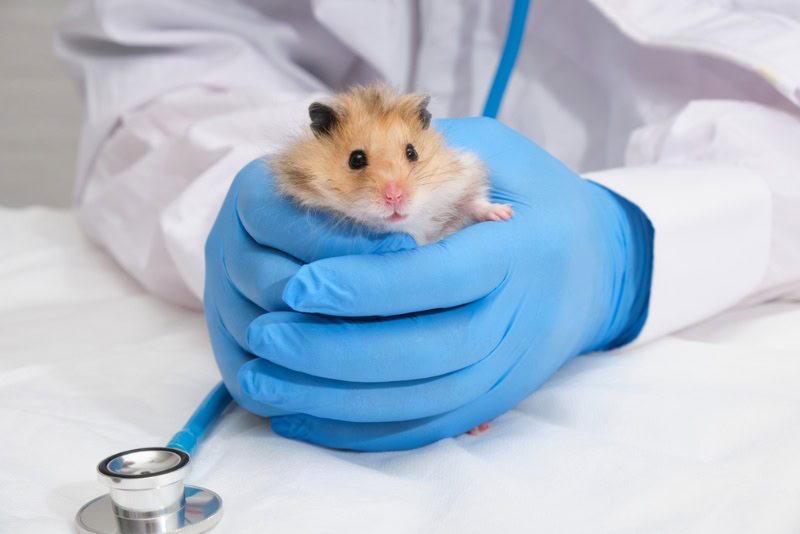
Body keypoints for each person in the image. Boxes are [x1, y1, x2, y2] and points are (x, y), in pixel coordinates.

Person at [56, 0, 800, 450]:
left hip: (730, 340)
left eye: (407, 158)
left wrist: (636, 243)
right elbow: (164, 47)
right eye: (360, 164)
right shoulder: (329, 157)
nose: (391, 188)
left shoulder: (443, 162)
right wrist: (235, 216)